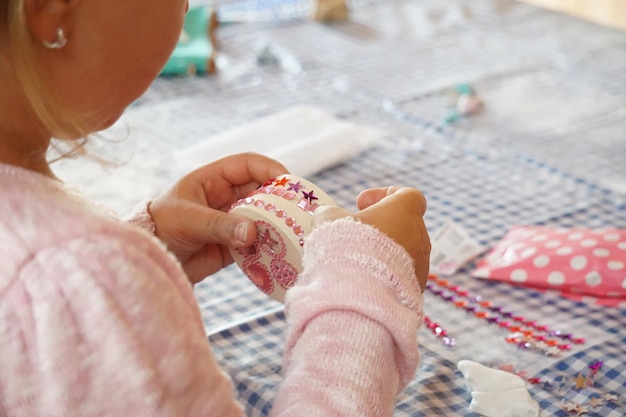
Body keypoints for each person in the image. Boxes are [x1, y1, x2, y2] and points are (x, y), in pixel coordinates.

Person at [0, 0, 431, 416]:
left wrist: (146, 249)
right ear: (50, 7)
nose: (187, 8)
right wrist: (366, 288)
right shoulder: (78, 275)